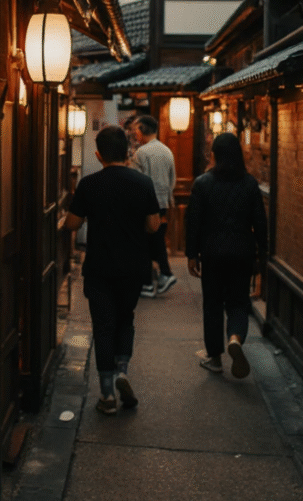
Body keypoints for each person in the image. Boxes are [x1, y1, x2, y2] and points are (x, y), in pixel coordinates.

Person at [64, 125, 161, 415]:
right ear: (128, 152)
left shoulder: (89, 184)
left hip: (99, 268)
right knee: (125, 320)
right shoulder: (143, 183)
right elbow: (154, 225)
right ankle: (122, 371)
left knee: (103, 327)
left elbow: (72, 224)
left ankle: (107, 395)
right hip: (133, 267)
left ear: (98, 154)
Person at [185, 132, 268, 379]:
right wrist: (262, 255)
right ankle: (235, 338)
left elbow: (193, 223)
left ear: (215, 155)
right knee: (238, 302)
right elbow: (260, 224)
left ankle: (215, 358)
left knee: (213, 304)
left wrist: (192, 254)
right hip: (242, 253)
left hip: (212, 253)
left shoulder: (202, 183)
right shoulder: (250, 184)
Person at [129, 114, 178, 298]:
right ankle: (153, 280)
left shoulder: (141, 153)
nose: (135, 134)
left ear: (141, 130)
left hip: (145, 204)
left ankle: (156, 278)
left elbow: (136, 182)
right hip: (163, 202)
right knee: (154, 240)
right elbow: (172, 179)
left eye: (136, 130)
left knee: (144, 243)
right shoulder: (167, 151)